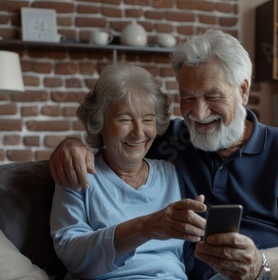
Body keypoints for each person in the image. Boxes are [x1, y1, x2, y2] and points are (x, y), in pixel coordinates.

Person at [50, 29, 278, 279]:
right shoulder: (175, 139)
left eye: (212, 97)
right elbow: (122, 132)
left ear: (242, 91)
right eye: (188, 98)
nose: (199, 114)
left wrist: (260, 265)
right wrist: (71, 145)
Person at [50, 63, 207, 280]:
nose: (138, 133)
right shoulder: (80, 173)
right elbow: (71, 254)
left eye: (148, 120)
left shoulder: (172, 174)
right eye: (124, 119)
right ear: (99, 122)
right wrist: (145, 227)